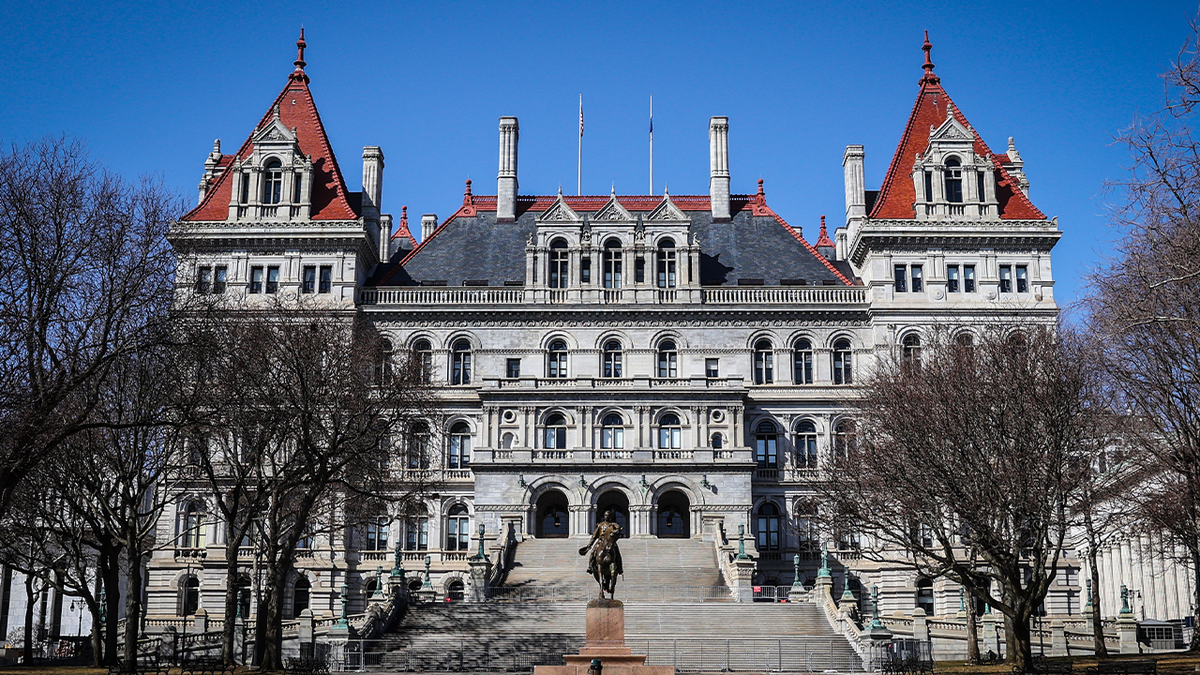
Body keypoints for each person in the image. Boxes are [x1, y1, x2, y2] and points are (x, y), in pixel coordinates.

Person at [579, 509, 624, 579]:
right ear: (604, 516)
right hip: (600, 541)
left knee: (617, 553)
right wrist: (589, 545)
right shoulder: (600, 525)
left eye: (608, 516)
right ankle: (590, 566)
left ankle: (620, 568)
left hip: (611, 542)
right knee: (593, 551)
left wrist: (617, 530)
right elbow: (594, 535)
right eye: (606, 515)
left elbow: (617, 531)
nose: (607, 517)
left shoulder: (614, 525)